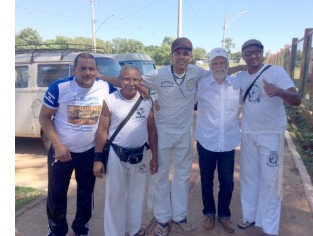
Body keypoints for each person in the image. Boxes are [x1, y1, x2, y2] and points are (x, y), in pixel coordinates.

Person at [98, 37, 245, 236]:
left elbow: (220, 70)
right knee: (160, 176)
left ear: (191, 56)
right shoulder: (159, 74)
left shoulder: (197, 72)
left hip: (184, 132)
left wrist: (246, 67)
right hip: (163, 131)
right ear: (172, 55)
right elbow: (129, 81)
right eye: (178, 53)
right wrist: (100, 76)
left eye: (186, 53)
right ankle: (162, 217)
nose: (182, 57)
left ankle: (180, 216)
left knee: (182, 176)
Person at [39, 52, 117, 236]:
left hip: (89, 151)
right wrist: (57, 146)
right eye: (83, 68)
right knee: (57, 194)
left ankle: (81, 228)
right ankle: (57, 230)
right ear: (74, 70)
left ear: (97, 70)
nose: (87, 72)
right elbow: (44, 117)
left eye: (92, 68)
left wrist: (142, 90)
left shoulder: (105, 87)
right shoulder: (60, 87)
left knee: (85, 193)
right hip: (61, 150)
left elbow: (126, 84)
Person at [236, 39, 301, 236]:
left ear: (263, 53)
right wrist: (237, 66)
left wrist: (278, 91)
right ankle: (250, 217)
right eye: (248, 53)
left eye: (256, 52)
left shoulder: (276, 72)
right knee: (249, 177)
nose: (253, 56)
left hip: (271, 134)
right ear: (244, 56)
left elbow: (296, 99)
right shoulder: (241, 77)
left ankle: (270, 227)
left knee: (270, 181)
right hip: (248, 133)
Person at [92, 65, 158, 236]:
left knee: (137, 196)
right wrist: (98, 159)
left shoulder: (147, 100)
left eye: (135, 79)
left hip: (141, 154)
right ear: (120, 81)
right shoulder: (110, 100)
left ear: (140, 81)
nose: (131, 83)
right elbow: (102, 130)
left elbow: (151, 129)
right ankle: (114, 233)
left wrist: (154, 157)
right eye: (127, 79)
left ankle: (134, 229)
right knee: (115, 197)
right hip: (116, 154)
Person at [194, 47, 241, 234]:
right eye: (215, 63)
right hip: (206, 141)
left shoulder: (237, 84)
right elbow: (185, 98)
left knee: (227, 182)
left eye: (223, 63)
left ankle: (224, 215)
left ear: (228, 65)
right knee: (206, 180)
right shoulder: (202, 84)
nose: (219, 66)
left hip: (228, 142)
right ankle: (209, 213)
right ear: (210, 65)